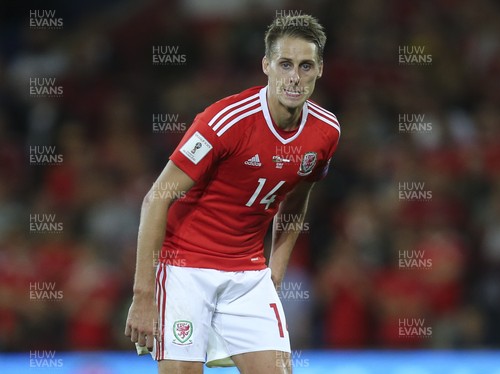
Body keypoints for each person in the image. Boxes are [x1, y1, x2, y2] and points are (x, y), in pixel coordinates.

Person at [124, 14, 340, 374]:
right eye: (285, 64)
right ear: (266, 65)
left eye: (305, 66)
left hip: (248, 273)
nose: (294, 77)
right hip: (185, 268)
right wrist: (144, 296)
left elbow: (296, 198)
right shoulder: (225, 121)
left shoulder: (326, 132)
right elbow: (156, 198)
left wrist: (275, 273)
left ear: (319, 70)